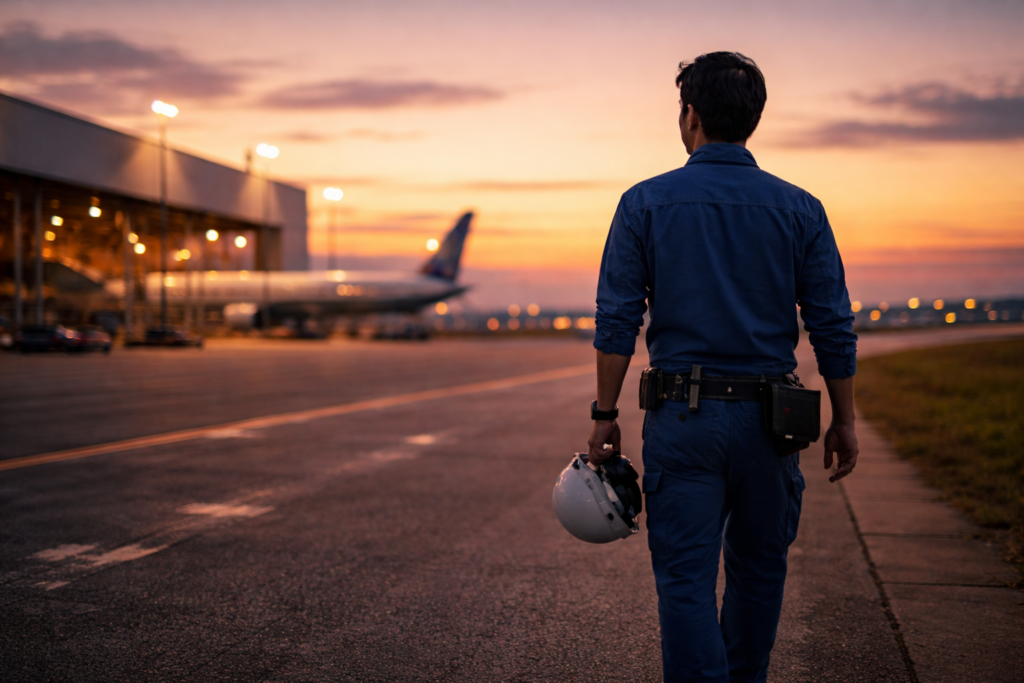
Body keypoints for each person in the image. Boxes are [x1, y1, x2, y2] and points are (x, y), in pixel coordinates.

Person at [586, 52, 859, 683]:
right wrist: (844, 418)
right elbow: (832, 326)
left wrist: (605, 414)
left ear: (691, 116)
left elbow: (616, 321)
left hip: (685, 418)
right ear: (753, 120)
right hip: (773, 423)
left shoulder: (645, 203)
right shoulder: (801, 209)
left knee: (684, 578)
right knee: (760, 573)